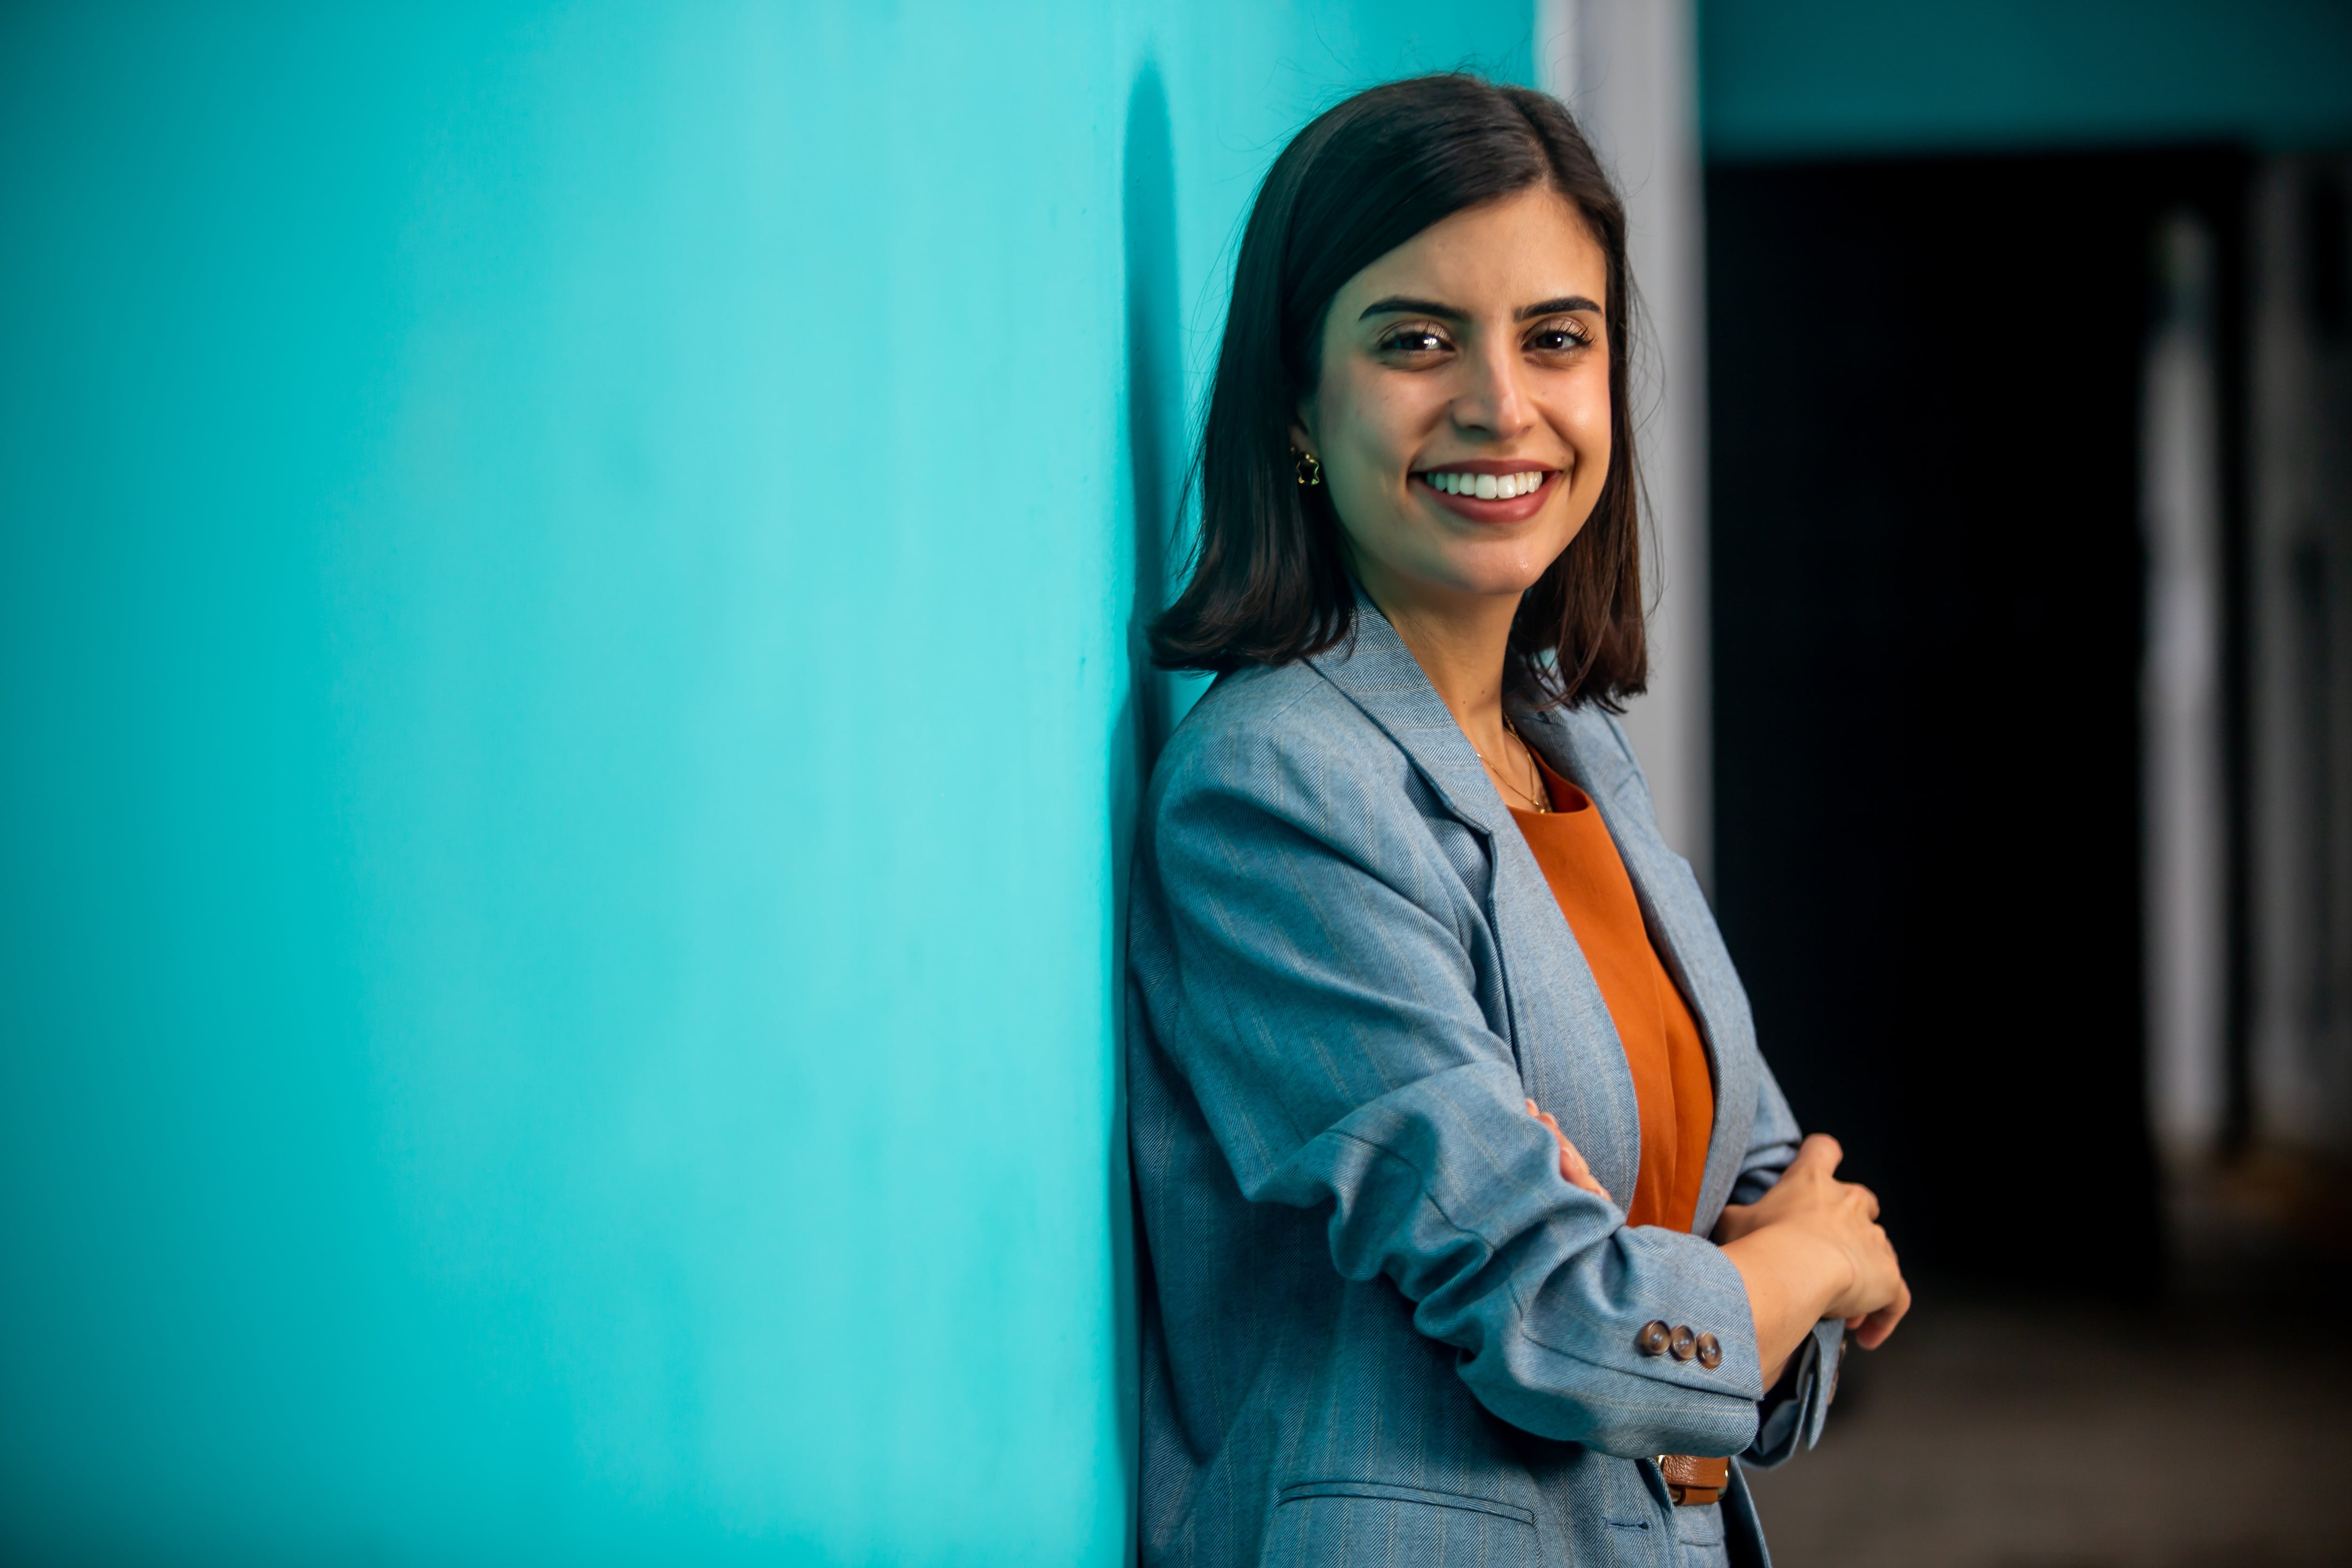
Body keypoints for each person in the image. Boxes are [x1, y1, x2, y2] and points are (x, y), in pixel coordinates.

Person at [1126, 73, 1910, 1568]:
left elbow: (1748, 1196)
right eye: (1418, 340)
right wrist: (1788, 1267)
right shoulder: (1274, 789)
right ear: (1298, 403)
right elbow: (1564, 1323)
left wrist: (1771, 1273)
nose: (1504, 403)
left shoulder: (1576, 757)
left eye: (1558, 338)